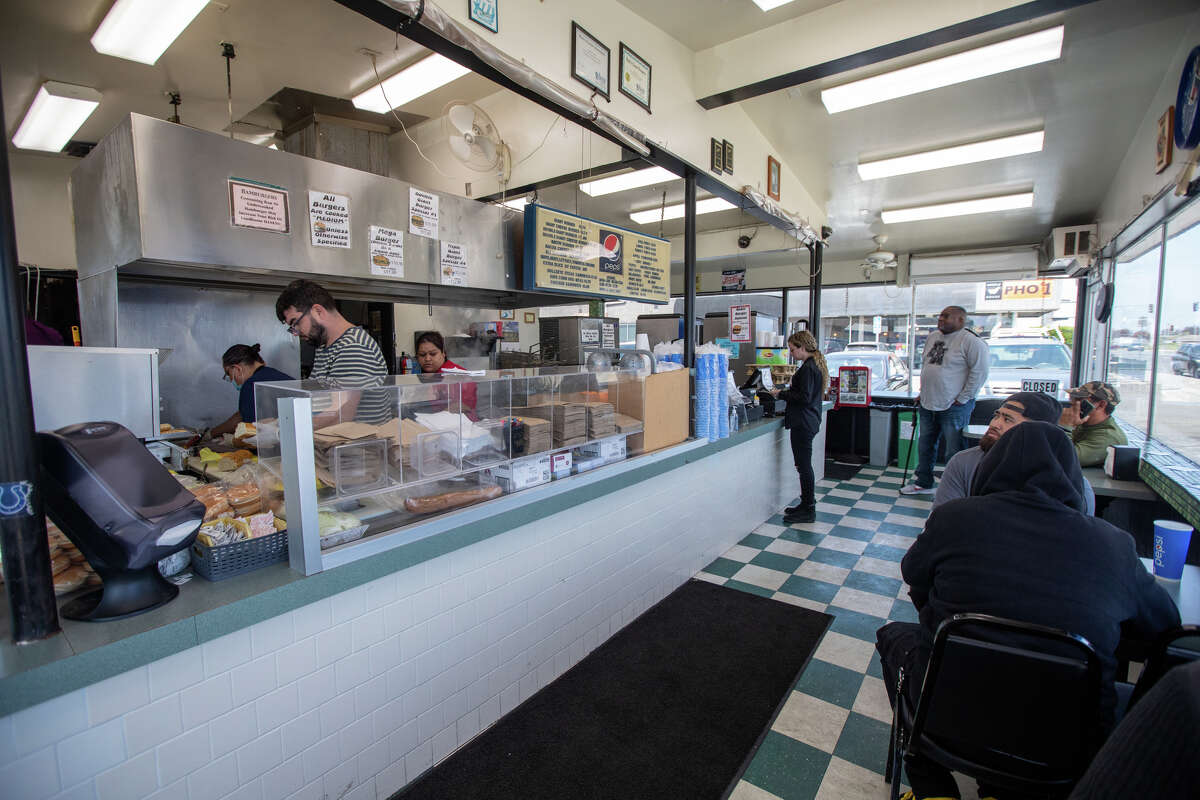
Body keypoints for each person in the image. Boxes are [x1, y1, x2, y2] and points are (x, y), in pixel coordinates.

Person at [877, 422, 1179, 800]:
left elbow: (914, 575)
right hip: (1068, 744)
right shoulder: (1114, 544)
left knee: (894, 636)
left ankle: (932, 787)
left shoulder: (956, 518)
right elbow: (1165, 628)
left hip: (944, 719)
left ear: (992, 467)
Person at [933, 391, 1095, 515]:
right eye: (996, 416)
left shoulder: (1078, 486)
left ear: (1036, 431)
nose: (995, 424)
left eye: (1008, 420)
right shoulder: (964, 462)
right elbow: (941, 522)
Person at [900, 306, 989, 496]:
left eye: (946, 316)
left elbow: (979, 373)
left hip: (954, 406)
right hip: (928, 402)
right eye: (940, 316)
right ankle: (923, 482)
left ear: (961, 320)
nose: (941, 319)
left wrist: (963, 398)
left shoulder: (971, 342)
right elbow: (928, 367)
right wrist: (923, 392)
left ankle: (955, 488)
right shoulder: (933, 337)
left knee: (954, 450)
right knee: (925, 446)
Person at [275, 279, 389, 423]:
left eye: (296, 323)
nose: (296, 332)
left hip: (359, 445)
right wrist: (278, 422)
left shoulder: (352, 347)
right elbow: (320, 403)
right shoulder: (324, 347)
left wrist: (282, 430)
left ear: (318, 311)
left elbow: (339, 414)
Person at [770, 331, 829, 524]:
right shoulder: (812, 366)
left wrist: (781, 394)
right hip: (808, 421)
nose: (791, 353)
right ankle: (805, 504)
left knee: (803, 466)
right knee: (803, 466)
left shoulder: (808, 369)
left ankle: (809, 509)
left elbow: (803, 397)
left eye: (793, 349)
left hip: (803, 423)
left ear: (803, 348)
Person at [208, 344, 293, 438]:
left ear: (237, 369)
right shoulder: (277, 376)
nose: (231, 379)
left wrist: (230, 440)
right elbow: (241, 415)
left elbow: (250, 429)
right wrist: (212, 433)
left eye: (229, 374)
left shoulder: (251, 385)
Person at [1058, 381, 1127, 467]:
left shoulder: (1108, 437)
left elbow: (1062, 458)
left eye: (1079, 399)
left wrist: (1064, 426)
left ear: (1101, 404)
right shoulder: (1084, 424)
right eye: (1073, 398)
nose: (1072, 402)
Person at [415, 330, 477, 411]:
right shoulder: (428, 375)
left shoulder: (457, 375)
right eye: (422, 355)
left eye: (433, 354)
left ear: (443, 353)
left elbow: (463, 408)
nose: (427, 359)